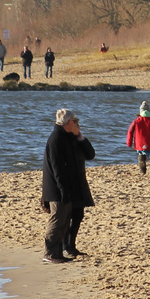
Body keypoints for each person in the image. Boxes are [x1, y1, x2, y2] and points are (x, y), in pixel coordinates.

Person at [41, 108, 94, 263]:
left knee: (66, 219)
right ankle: (50, 253)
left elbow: (90, 154)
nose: (77, 123)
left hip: (71, 186)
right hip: (58, 188)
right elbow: (57, 168)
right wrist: (63, 189)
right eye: (75, 121)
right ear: (69, 122)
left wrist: (80, 137)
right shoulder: (57, 138)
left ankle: (60, 252)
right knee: (57, 220)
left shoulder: (68, 137)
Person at [126, 101, 150, 174]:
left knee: (141, 155)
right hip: (148, 143)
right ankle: (143, 163)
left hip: (139, 143)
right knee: (145, 154)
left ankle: (142, 168)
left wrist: (129, 143)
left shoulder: (136, 121)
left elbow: (130, 131)